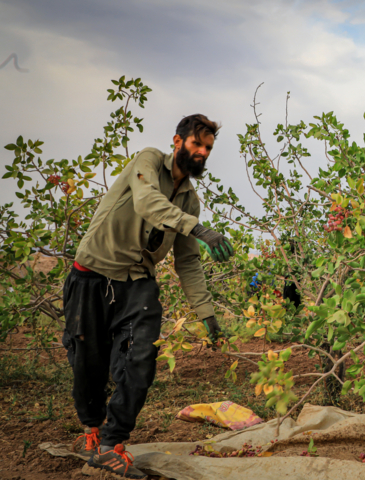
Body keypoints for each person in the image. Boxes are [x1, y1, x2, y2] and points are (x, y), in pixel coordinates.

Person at [63, 114, 234, 479]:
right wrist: (200, 229)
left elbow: (187, 262)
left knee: (142, 356)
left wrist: (207, 315)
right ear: (178, 142)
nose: (202, 152)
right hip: (92, 271)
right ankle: (91, 431)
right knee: (87, 359)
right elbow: (146, 201)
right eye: (196, 144)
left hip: (137, 279)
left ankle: (112, 443)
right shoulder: (148, 160)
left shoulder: (190, 200)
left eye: (208, 148)